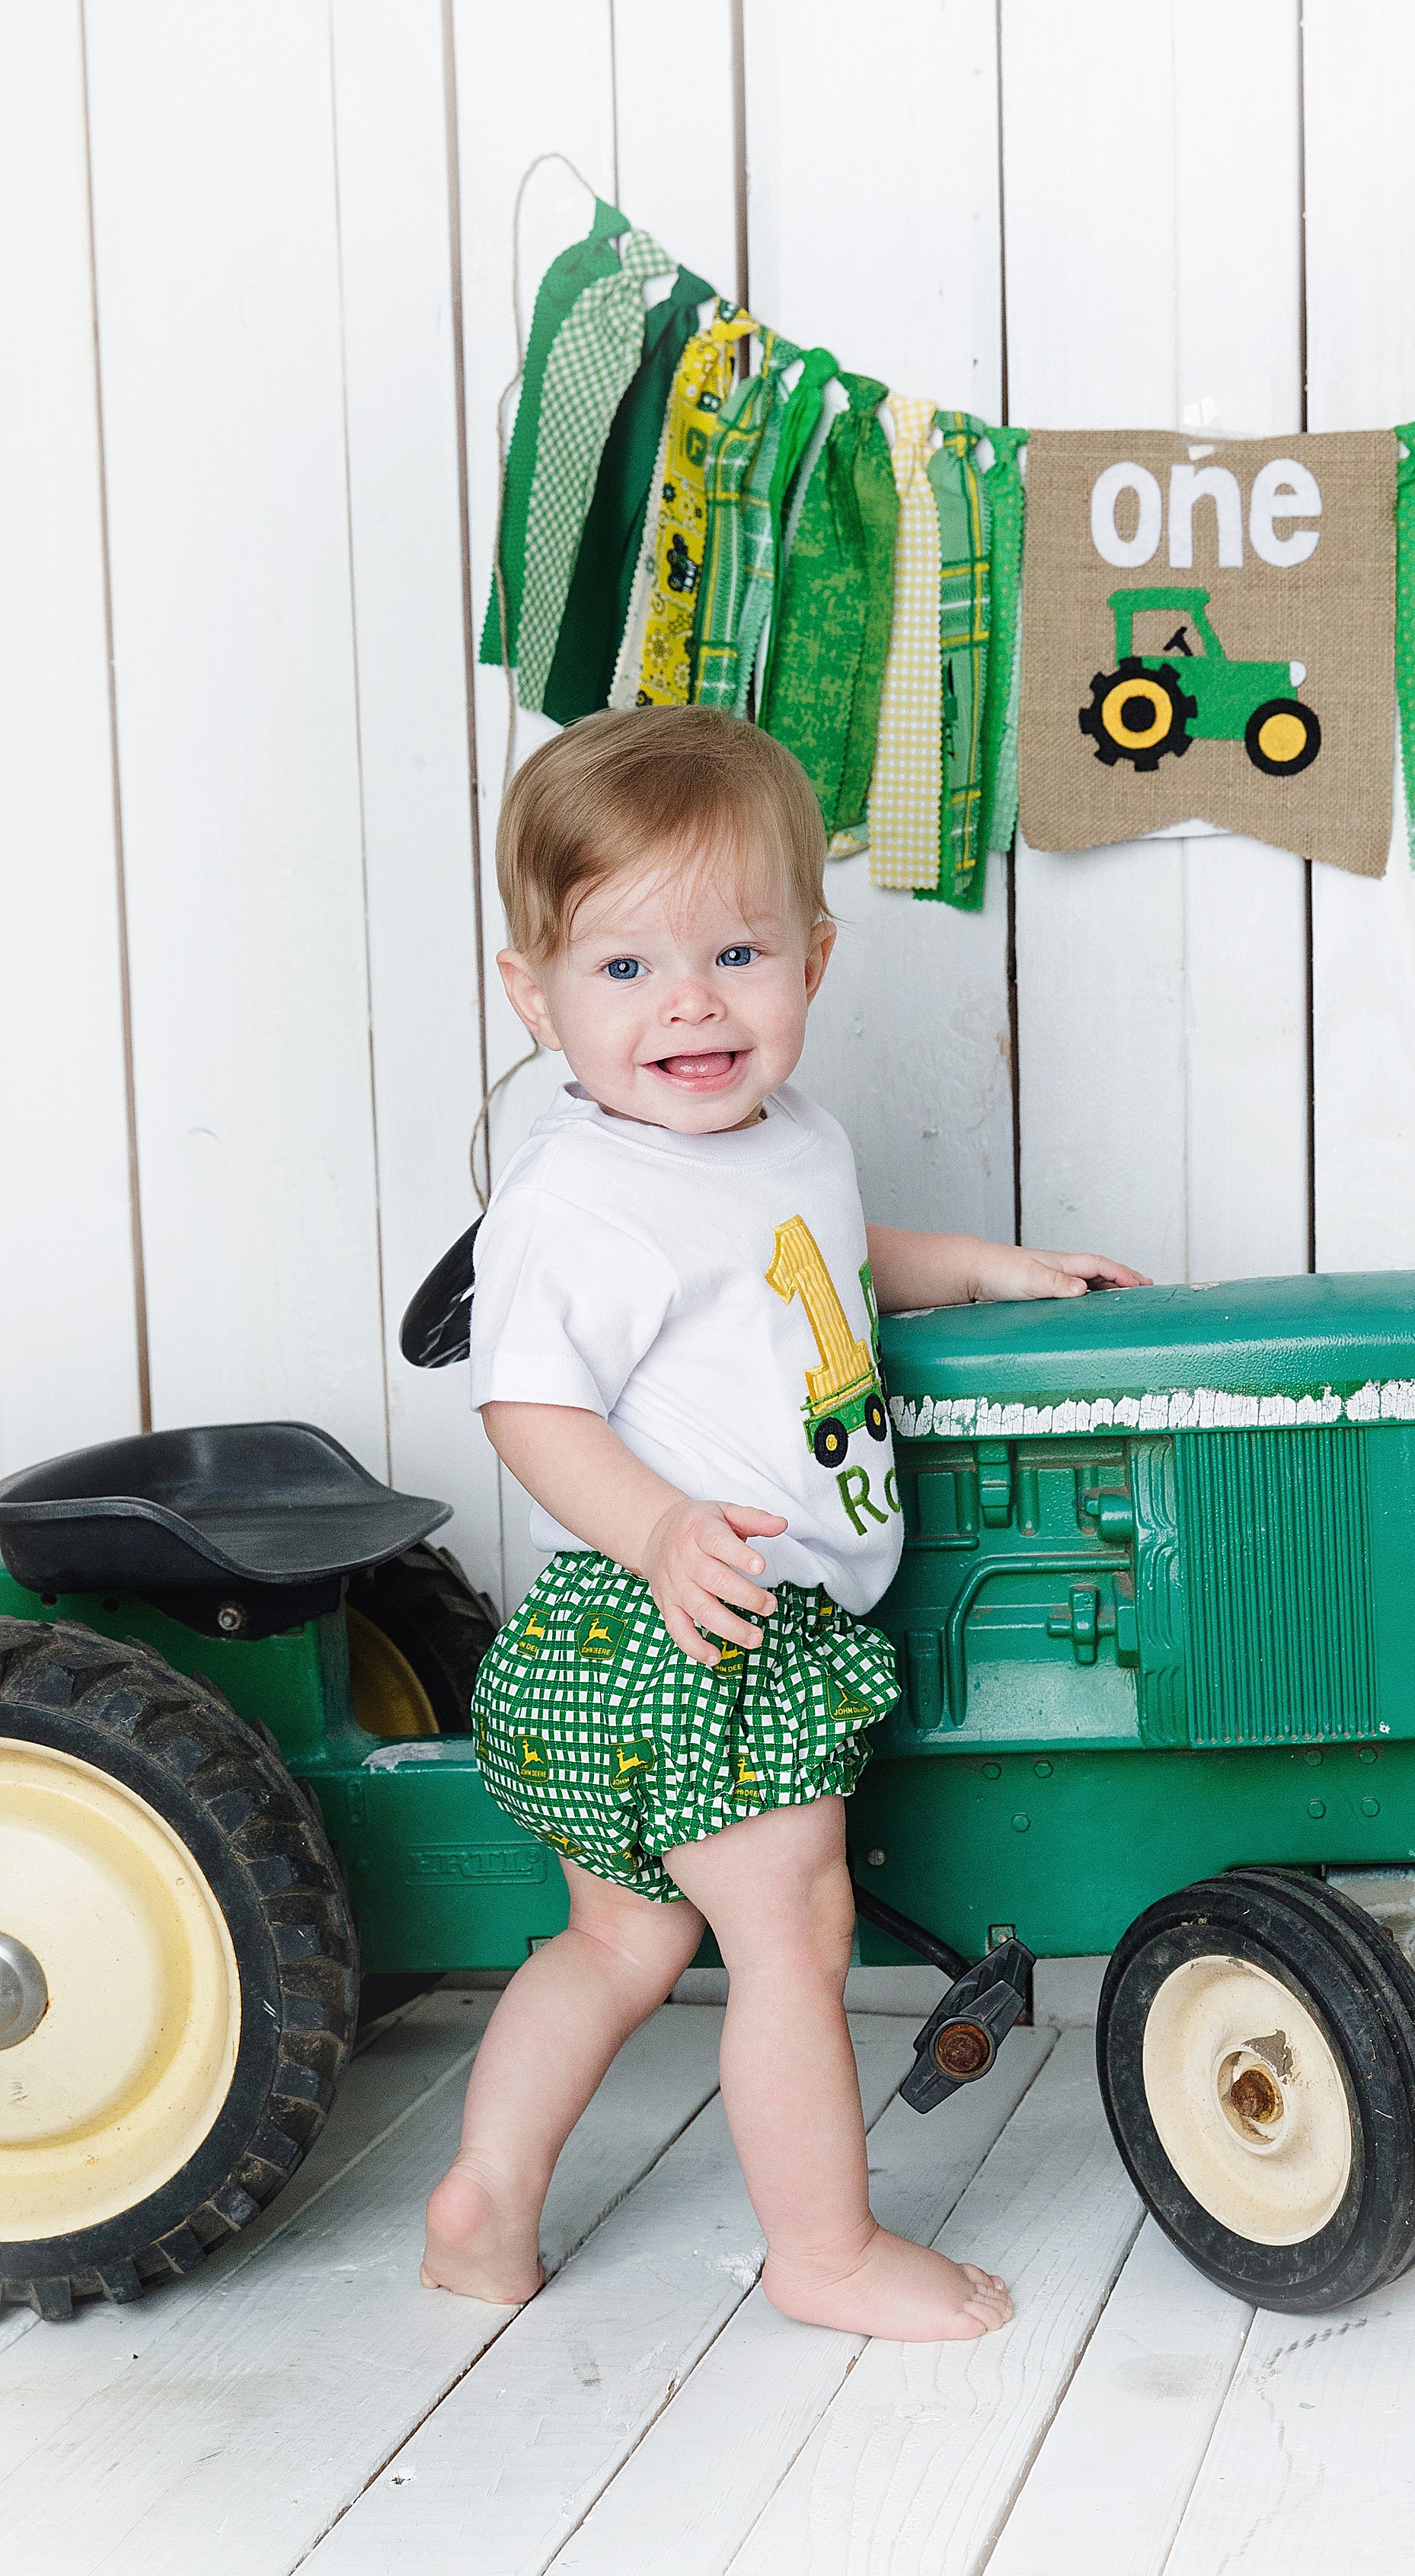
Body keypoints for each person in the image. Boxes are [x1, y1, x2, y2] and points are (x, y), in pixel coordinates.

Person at [421, 707, 1145, 2338]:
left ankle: (483, 2193)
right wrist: (666, 1526)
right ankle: (822, 2256)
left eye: (734, 950)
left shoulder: (768, 1138)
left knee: (614, 1939)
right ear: (529, 994)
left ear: (812, 960)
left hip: (659, 1636)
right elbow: (525, 1401)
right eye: (621, 970)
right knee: (791, 1945)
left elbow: (813, 1252)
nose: (687, 999)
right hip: (694, 1629)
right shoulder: (576, 1196)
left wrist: (974, 1267)